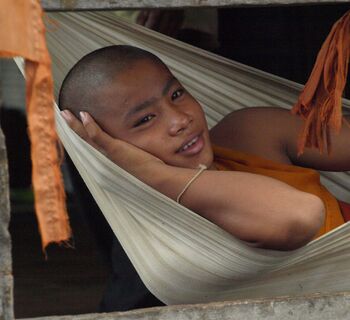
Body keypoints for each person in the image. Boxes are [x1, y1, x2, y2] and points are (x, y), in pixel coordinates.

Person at [59, 45, 350, 252]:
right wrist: (151, 173)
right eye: (145, 119)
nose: (180, 119)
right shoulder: (170, 242)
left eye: (176, 94)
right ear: (104, 146)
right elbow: (301, 214)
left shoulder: (245, 134)